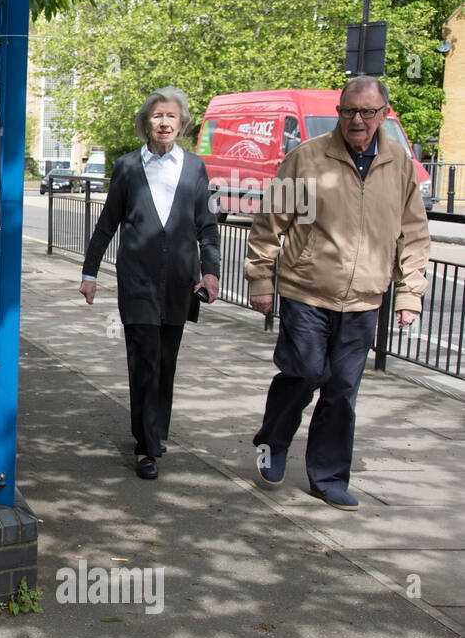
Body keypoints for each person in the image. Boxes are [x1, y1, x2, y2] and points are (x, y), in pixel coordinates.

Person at [245, 75, 430, 510]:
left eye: (368, 112)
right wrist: (260, 281)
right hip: (306, 291)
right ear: (339, 113)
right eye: (349, 111)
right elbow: (271, 225)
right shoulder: (307, 158)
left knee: (343, 389)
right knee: (305, 372)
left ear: (385, 113)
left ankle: (327, 476)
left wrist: (409, 294)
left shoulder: (399, 165)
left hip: (365, 298)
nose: (357, 120)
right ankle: (272, 441)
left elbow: (414, 235)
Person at [80, 87, 221, 479]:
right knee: (144, 360)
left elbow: (206, 226)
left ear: (182, 123)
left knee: (166, 362)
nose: (164, 122)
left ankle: (156, 433)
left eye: (171, 116)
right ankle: (145, 446)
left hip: (179, 281)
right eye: (157, 116)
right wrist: (89, 272)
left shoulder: (195, 167)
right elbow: (108, 221)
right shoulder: (127, 166)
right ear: (146, 123)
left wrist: (210, 271)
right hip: (137, 279)